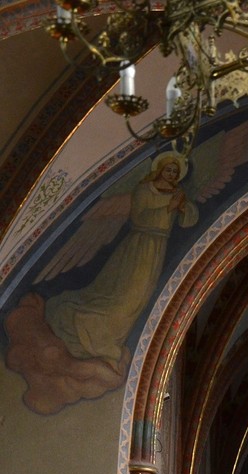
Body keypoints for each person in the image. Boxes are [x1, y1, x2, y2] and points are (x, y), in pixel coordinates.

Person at [44, 151, 198, 369]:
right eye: (169, 169)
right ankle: (93, 331)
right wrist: (168, 208)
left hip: (157, 249)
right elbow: (138, 217)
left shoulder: (178, 193)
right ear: (160, 169)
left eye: (175, 171)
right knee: (126, 295)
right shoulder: (144, 189)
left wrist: (183, 207)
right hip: (138, 246)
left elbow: (189, 219)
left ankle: (112, 338)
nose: (172, 174)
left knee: (141, 298)